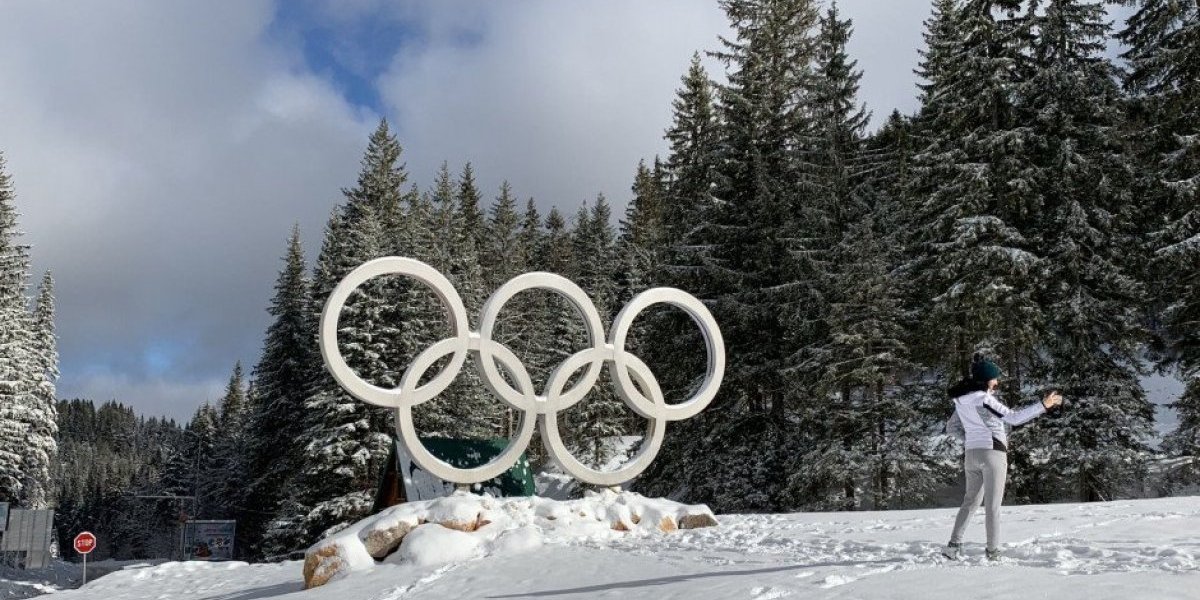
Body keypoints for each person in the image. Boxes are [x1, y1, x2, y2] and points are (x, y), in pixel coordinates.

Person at [942, 353, 1062, 561]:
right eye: (995, 378)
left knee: (970, 502)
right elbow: (1014, 418)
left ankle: (953, 545)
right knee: (993, 506)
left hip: (971, 454)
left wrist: (972, 439)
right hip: (993, 453)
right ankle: (992, 551)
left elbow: (951, 427)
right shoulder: (985, 399)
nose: (997, 382)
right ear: (987, 380)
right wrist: (1044, 405)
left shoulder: (960, 401)